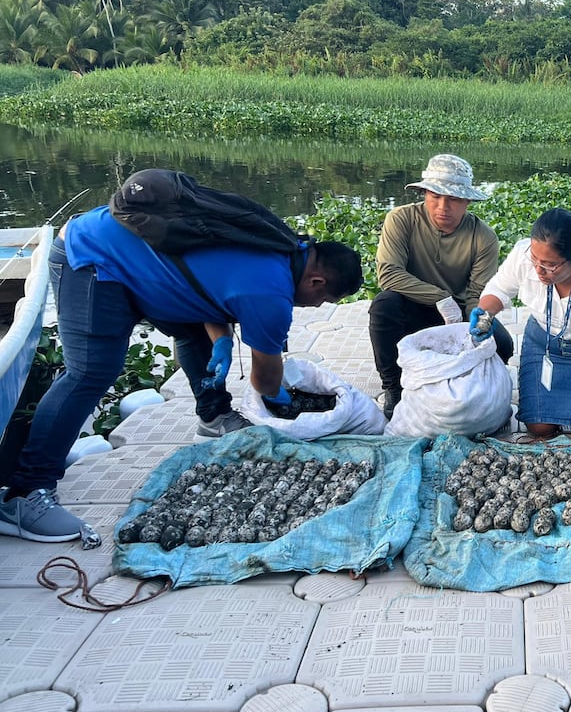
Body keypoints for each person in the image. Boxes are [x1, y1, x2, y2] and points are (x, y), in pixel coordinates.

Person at [0, 202, 364, 544]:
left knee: (191, 329)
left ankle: (213, 415)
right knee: (91, 372)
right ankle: (25, 493)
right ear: (316, 282)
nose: (317, 306)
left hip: (130, 249)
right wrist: (278, 396)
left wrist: (221, 338)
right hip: (95, 256)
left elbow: (206, 288)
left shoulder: (283, 246)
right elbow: (265, 380)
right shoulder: (270, 293)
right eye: (325, 301)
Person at [471, 208, 571, 459]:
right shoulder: (525, 257)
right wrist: (485, 313)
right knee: (538, 428)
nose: (539, 270)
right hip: (544, 344)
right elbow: (499, 289)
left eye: (550, 265)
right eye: (535, 259)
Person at [369, 154, 513, 418]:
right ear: (424, 193)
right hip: (411, 306)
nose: (442, 206)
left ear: (468, 201)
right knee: (383, 306)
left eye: (453, 199)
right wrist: (440, 297)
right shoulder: (401, 219)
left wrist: (474, 328)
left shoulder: (483, 237)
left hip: (460, 314)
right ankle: (393, 389)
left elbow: (477, 296)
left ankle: (470, 385)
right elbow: (389, 274)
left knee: (503, 343)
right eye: (435, 196)